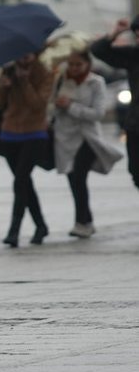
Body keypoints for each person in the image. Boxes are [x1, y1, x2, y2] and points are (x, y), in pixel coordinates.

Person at [51, 48, 123, 238]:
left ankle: (81, 221)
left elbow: (98, 114)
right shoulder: (60, 81)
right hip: (65, 138)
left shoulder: (96, 83)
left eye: (78, 65)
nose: (74, 68)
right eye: (71, 64)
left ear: (88, 65)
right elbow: (51, 110)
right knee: (72, 179)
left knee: (79, 178)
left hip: (87, 137)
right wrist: (58, 106)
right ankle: (87, 220)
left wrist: (71, 107)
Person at [0, 52, 54, 247]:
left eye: (28, 53)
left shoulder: (44, 72)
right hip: (9, 133)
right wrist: (3, 86)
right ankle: (41, 225)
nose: (24, 57)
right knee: (24, 182)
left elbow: (38, 104)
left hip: (35, 133)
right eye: (20, 53)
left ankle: (14, 230)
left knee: (20, 180)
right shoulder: (8, 70)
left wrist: (25, 82)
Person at [91, 16, 139, 189]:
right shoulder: (133, 56)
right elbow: (98, 50)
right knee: (136, 172)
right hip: (135, 125)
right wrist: (116, 33)